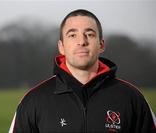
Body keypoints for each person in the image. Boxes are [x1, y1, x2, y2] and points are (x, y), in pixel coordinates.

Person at [9, 9, 156, 133]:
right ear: (61, 47)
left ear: (101, 45)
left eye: (90, 34)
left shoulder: (132, 98)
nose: (82, 41)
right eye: (72, 35)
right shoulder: (33, 101)